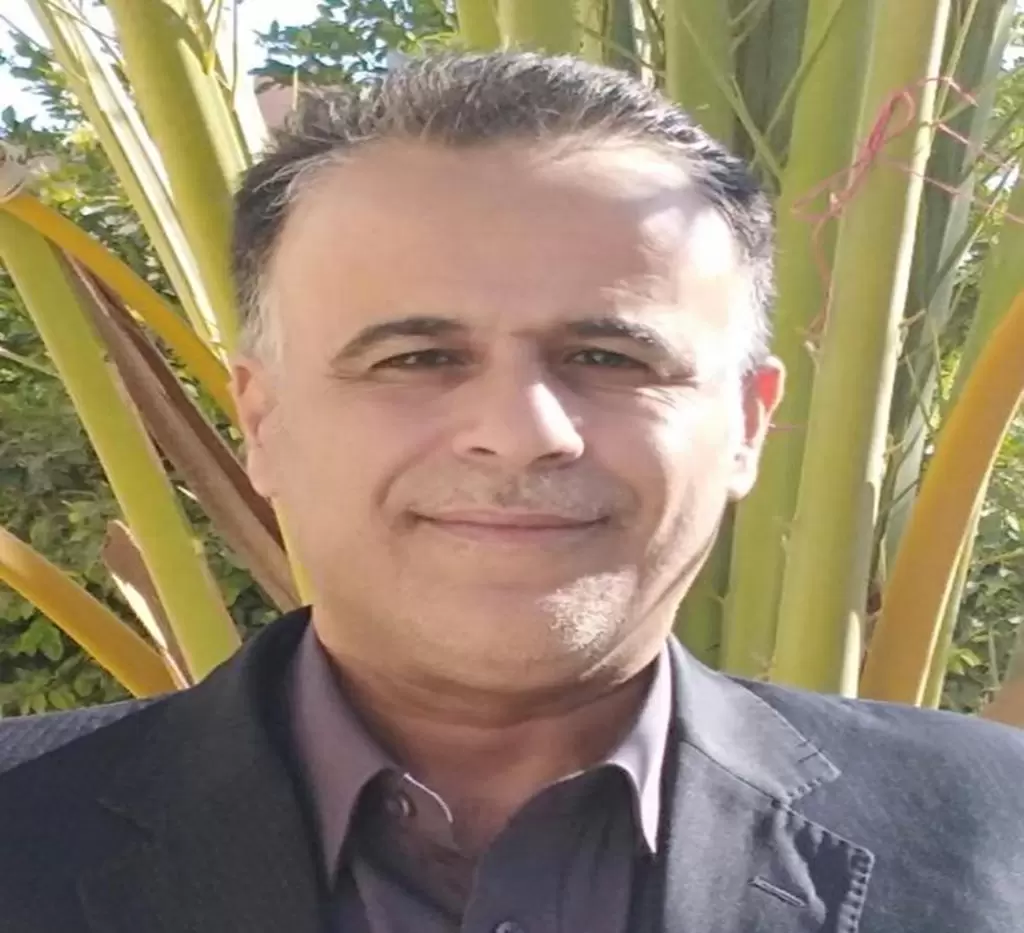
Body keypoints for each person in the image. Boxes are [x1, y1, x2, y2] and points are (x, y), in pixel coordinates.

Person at [0, 52, 1021, 933]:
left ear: (748, 425)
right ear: (263, 422)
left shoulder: (992, 838)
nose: (525, 431)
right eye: (416, 357)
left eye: (609, 357)